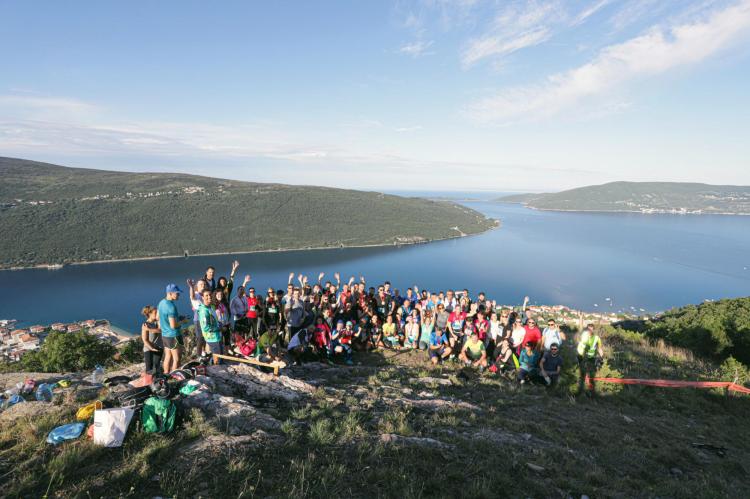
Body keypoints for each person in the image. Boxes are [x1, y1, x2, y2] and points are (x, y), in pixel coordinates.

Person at [158, 283, 182, 374]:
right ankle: (174, 377)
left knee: (167, 356)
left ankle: (166, 374)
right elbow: (173, 325)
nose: (179, 295)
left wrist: (177, 318)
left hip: (165, 334)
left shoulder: (161, 302)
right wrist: (183, 322)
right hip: (173, 335)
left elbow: (157, 317)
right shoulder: (171, 307)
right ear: (170, 293)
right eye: (177, 293)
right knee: (176, 359)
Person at [577, 324, 604, 394]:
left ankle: (591, 392)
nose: (589, 331)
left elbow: (599, 348)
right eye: (588, 329)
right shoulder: (583, 336)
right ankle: (580, 391)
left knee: (591, 375)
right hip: (582, 356)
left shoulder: (597, 338)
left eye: (591, 329)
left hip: (591, 357)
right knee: (582, 374)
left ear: (593, 330)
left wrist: (602, 358)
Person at [198, 289, 223, 364]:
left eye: (210, 295)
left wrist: (219, 324)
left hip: (217, 336)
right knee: (217, 358)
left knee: (220, 356)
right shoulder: (204, 311)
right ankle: (216, 368)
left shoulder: (211, 307)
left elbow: (214, 320)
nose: (209, 297)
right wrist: (219, 329)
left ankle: (217, 365)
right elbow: (206, 328)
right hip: (212, 338)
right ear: (202, 297)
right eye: (206, 295)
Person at [140, 306, 162, 375]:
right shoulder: (145, 324)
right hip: (148, 349)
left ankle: (157, 379)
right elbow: (145, 339)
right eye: (155, 313)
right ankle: (149, 380)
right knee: (149, 369)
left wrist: (149, 329)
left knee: (156, 366)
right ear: (150, 314)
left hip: (158, 347)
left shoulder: (158, 322)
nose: (157, 314)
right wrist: (151, 348)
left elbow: (161, 330)